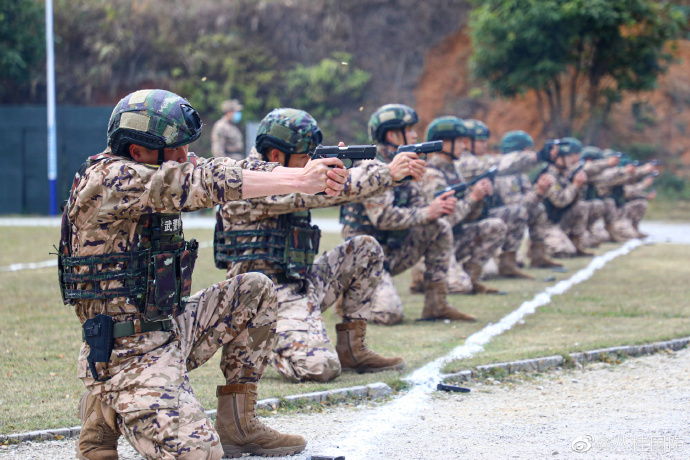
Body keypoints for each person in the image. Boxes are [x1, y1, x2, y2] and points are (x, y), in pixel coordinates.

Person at [57, 89, 347, 460]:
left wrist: (302, 172)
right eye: (177, 150)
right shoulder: (111, 180)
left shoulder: (148, 170)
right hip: (124, 352)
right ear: (138, 151)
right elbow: (206, 179)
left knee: (255, 290)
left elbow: (227, 168)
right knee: (200, 454)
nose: (186, 157)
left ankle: (239, 427)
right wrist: (298, 182)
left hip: (168, 328)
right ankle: (106, 406)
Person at [215, 108, 424, 382]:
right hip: (263, 299)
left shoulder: (288, 169)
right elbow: (320, 193)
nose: (311, 166)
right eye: (306, 158)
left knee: (365, 249)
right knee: (320, 368)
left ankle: (353, 349)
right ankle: (252, 343)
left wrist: (349, 166)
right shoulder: (250, 182)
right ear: (276, 155)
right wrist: (388, 173)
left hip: (300, 283)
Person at [341, 104, 477, 325]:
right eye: (410, 130)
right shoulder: (371, 167)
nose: (415, 135)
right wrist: (427, 212)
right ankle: (349, 299)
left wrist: (437, 208)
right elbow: (382, 218)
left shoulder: (405, 164)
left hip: (392, 251)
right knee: (389, 314)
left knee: (439, 226)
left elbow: (418, 207)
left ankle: (436, 304)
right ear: (392, 134)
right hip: (365, 256)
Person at [496, 130, 562, 268]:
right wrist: (538, 191)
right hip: (499, 227)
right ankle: (508, 261)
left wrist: (540, 191)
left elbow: (529, 202)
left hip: (509, 223)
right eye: (527, 150)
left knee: (538, 209)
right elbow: (517, 207)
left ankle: (538, 255)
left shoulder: (520, 175)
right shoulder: (505, 176)